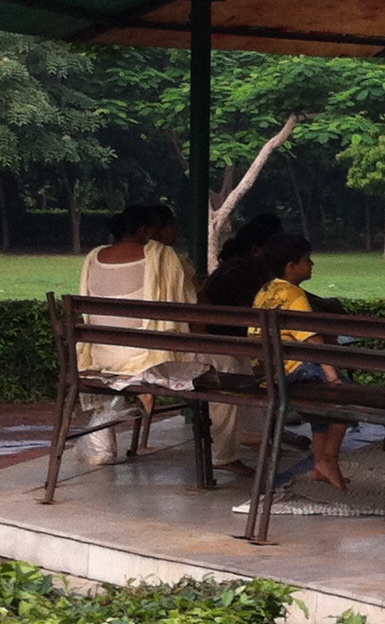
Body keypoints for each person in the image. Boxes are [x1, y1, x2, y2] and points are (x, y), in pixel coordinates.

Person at [75, 203, 202, 464]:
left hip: (99, 359)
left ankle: (107, 424)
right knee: (227, 364)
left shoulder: (93, 256)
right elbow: (184, 309)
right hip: (148, 361)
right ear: (145, 230)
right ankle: (224, 455)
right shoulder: (163, 256)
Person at [252, 235, 355, 494]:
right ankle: (328, 458)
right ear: (290, 266)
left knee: (322, 403)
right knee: (347, 396)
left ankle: (320, 466)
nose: (312, 264)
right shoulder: (293, 294)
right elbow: (314, 340)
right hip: (293, 370)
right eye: (306, 260)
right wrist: (334, 377)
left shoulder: (264, 291)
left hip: (267, 373)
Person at [198, 211, 285, 476]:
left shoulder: (239, 267)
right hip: (225, 341)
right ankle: (254, 433)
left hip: (227, 339)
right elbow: (256, 310)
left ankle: (257, 431)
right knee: (246, 364)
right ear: (258, 250)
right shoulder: (245, 270)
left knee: (245, 362)